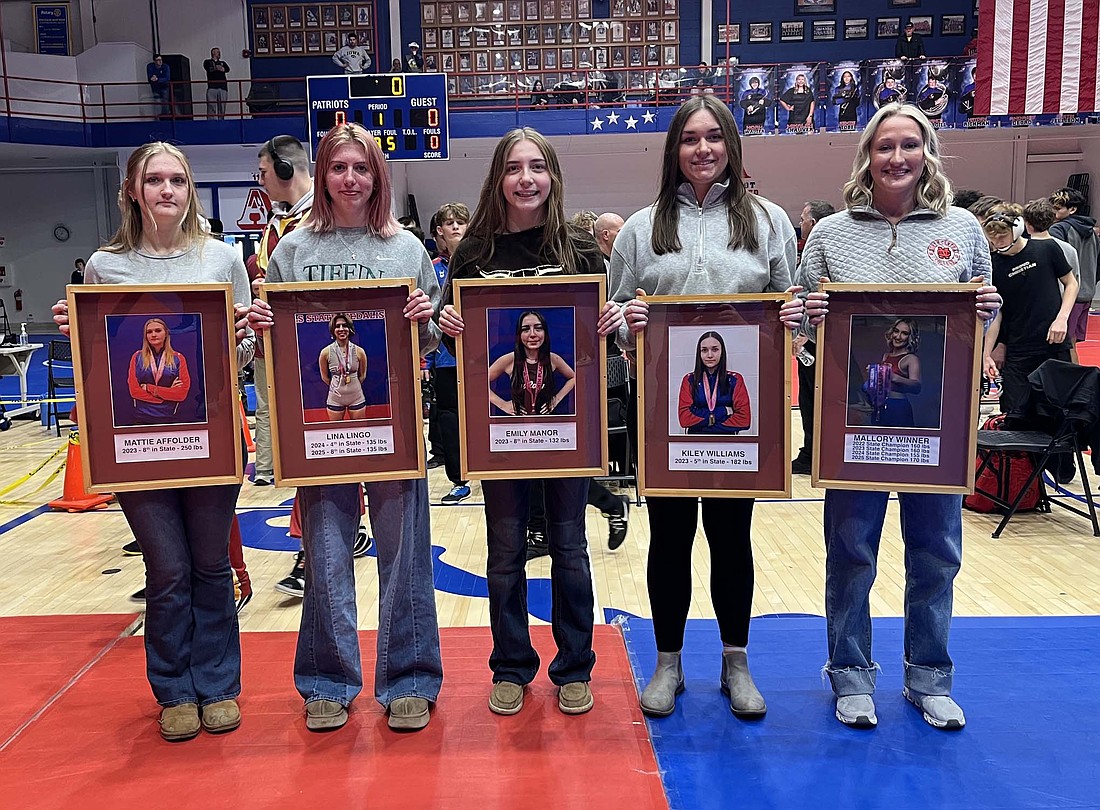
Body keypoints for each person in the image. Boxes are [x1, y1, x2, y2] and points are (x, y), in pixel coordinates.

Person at [799, 103, 1001, 730]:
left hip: (935, 425)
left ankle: (928, 677)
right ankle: (851, 675)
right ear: (867, 155)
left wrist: (987, 308)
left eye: (909, 145)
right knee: (852, 551)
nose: (896, 158)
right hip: (855, 423)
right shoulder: (831, 235)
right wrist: (808, 313)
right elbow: (805, 320)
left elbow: (978, 318)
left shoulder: (962, 228)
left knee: (937, 551)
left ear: (927, 153)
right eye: (884, 146)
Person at [51, 141, 255, 742]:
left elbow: (237, 360)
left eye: (178, 180)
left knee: (211, 565)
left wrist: (245, 337)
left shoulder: (224, 261)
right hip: (137, 446)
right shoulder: (103, 267)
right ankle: (173, 688)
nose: (167, 190)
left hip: (212, 436)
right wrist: (76, 330)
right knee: (168, 570)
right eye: (155, 179)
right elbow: (102, 361)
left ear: (189, 190)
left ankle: (218, 685)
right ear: (133, 192)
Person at [610, 95, 806, 720]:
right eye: (690, 138)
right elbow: (615, 318)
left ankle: (735, 661)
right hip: (664, 415)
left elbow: (790, 307)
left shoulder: (770, 221)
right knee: (668, 539)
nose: (702, 148)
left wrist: (794, 317)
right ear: (674, 150)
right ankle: (668, 664)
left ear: (731, 145)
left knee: (732, 539)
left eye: (713, 137)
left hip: (739, 426)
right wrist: (628, 321)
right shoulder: (642, 227)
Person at [247, 123, 443, 734]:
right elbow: (273, 343)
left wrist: (426, 319)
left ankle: (409, 677)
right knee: (326, 554)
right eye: (338, 168)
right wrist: (260, 320)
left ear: (378, 175)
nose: (350, 179)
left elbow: (430, 339)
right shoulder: (293, 251)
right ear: (323, 175)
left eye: (362, 168)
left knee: (405, 555)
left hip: (392, 425)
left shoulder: (407, 249)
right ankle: (328, 680)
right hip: (319, 429)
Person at [438, 127, 623, 717]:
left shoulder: (581, 249)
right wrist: (449, 324)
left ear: (553, 176)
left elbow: (600, 342)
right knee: (504, 551)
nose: (526, 178)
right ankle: (511, 666)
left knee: (571, 547)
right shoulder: (475, 253)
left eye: (537, 166)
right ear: (499, 177)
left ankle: (574, 666)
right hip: (502, 436)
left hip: (567, 433)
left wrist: (611, 320)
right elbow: (460, 335)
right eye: (514, 167)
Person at [981, 202, 1077, 414]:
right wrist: (986, 353)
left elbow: (1071, 283)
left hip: (1053, 343)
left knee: (1058, 409)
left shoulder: (1047, 249)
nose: (997, 242)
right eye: (992, 238)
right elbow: (997, 313)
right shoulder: (993, 264)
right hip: (1018, 348)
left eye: (1002, 236)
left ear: (1016, 229)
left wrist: (1062, 318)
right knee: (1015, 411)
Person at [428, 202, 474, 505]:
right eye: (449, 222)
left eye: (461, 221)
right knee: (451, 421)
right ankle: (459, 480)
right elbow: (428, 317)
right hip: (446, 361)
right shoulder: (433, 268)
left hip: (481, 358)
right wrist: (425, 360)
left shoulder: (481, 262)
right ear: (439, 231)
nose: (456, 226)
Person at [791, 200, 834, 475]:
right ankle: (811, 451)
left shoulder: (823, 253)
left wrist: (804, 336)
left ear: (814, 223)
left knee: (816, 400)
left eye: (804, 218)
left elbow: (817, 299)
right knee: (808, 399)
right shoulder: (809, 251)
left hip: (820, 343)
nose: (801, 222)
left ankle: (816, 454)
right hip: (811, 340)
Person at [488, 311, 576, 415]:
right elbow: (479, 383)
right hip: (515, 427)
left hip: (547, 427)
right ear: (519, 334)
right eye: (525, 329)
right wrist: (502, 404)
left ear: (545, 333)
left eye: (538, 328)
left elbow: (574, 378)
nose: (532, 334)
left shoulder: (553, 359)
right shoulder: (509, 359)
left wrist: (556, 399)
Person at [1049, 187, 1099, 360]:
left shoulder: (1059, 230)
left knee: (1064, 346)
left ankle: (1072, 385)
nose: (1054, 212)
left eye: (1058, 208)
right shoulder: (1092, 232)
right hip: (1087, 293)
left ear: (1072, 209)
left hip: (1068, 295)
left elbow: (1055, 263)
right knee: (1072, 343)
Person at [677, 331, 750, 433]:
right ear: (699, 353)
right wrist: (724, 411)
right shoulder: (689, 380)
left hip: (728, 445)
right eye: (704, 350)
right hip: (695, 445)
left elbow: (744, 420)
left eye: (715, 349)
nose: (709, 355)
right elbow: (684, 419)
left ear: (722, 352)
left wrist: (704, 426)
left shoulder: (735, 379)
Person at [127, 318, 191, 424]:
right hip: (141, 417)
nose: (153, 334)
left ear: (165, 333)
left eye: (158, 330)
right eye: (149, 332)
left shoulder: (178, 358)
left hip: (170, 417)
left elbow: (181, 394)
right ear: (145, 336)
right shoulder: (137, 357)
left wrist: (149, 388)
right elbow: (134, 391)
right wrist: (166, 395)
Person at [860, 318, 921, 427]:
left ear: (910, 337)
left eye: (904, 333)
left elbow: (917, 387)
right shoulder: (886, 356)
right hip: (880, 406)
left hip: (898, 407)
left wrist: (894, 377)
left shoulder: (911, 359)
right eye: (896, 331)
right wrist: (874, 376)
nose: (898, 336)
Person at [319, 313, 368, 420]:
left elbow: (363, 375)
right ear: (333, 330)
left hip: (356, 396)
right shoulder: (325, 352)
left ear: (349, 328)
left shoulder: (360, 351)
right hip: (335, 398)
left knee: (359, 432)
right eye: (337, 326)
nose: (341, 329)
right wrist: (337, 387)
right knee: (337, 432)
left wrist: (352, 386)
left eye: (345, 325)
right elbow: (325, 377)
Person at [202, 48, 230, 119]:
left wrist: (221, 68)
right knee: (211, 106)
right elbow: (209, 68)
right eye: (217, 52)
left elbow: (227, 69)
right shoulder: (207, 62)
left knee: (222, 107)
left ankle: (221, 121)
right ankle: (211, 122)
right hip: (212, 87)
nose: (219, 53)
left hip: (223, 87)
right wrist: (217, 68)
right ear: (213, 53)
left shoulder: (223, 62)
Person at [147, 54, 171, 118]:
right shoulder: (150, 66)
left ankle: (165, 117)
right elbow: (150, 77)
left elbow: (167, 78)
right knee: (156, 102)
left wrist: (157, 79)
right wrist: (152, 78)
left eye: (161, 60)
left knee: (165, 101)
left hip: (164, 86)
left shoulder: (165, 66)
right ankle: (157, 116)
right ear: (154, 61)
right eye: (158, 60)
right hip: (155, 87)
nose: (160, 61)